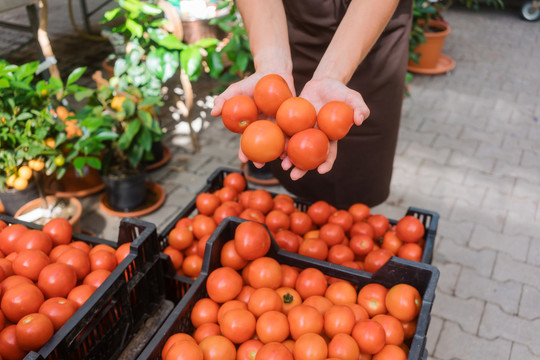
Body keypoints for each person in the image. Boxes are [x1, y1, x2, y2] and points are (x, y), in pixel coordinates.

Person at [211, 0, 413, 209]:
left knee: (358, 175)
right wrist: (271, 63)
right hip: (294, 30)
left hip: (371, 32)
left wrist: (332, 75)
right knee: (298, 180)